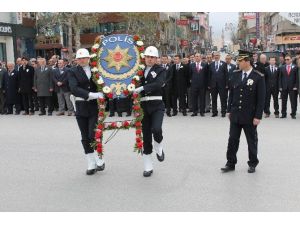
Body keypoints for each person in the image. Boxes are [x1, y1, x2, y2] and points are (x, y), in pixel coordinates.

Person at [221, 50, 266, 174]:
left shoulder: (258, 77)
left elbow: (261, 99)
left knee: (251, 140)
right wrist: (229, 110)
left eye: (240, 61)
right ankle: (230, 163)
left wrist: (258, 116)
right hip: (235, 114)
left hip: (250, 116)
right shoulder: (235, 74)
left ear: (247, 61)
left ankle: (252, 163)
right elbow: (232, 94)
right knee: (232, 140)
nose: (238, 63)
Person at [68, 48, 105, 175]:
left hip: (95, 107)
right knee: (84, 137)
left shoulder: (97, 70)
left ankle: (99, 158)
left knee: (93, 135)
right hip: (81, 105)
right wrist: (92, 94)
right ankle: (91, 162)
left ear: (89, 58)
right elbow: (74, 88)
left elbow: (104, 83)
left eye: (84, 58)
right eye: (79, 58)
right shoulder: (72, 71)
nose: (81, 60)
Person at [133, 46, 166, 177]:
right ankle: (148, 166)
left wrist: (142, 88)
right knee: (146, 136)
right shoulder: (139, 71)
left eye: (152, 57)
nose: (150, 59)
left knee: (156, 129)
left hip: (157, 104)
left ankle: (158, 146)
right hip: (143, 106)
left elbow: (159, 84)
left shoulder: (161, 70)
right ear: (144, 58)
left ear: (156, 58)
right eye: (147, 57)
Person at [208, 51, 228, 117]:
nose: (216, 56)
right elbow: (209, 76)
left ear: (219, 56)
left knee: (223, 99)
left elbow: (226, 75)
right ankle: (214, 112)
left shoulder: (224, 64)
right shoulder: (211, 64)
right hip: (213, 85)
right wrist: (209, 85)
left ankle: (223, 112)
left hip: (222, 85)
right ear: (214, 56)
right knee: (214, 99)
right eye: (215, 55)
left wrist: (226, 84)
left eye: (217, 55)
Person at [278, 54, 299, 119]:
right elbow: (280, 78)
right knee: (283, 101)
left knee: (293, 101)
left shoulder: (295, 67)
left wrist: (296, 86)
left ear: (291, 59)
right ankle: (283, 114)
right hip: (284, 87)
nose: (286, 61)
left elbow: (297, 78)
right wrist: (280, 86)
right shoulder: (282, 67)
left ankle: (293, 114)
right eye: (286, 59)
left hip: (293, 87)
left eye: (288, 59)